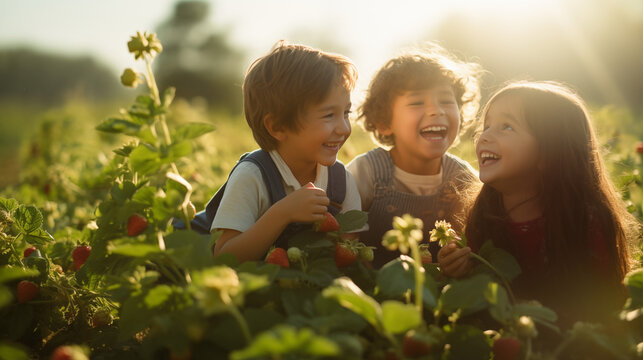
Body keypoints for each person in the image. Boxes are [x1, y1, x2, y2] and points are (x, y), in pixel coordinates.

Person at [437, 81, 640, 327]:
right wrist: (455, 270)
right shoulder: (482, 215)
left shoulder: (585, 221)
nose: (485, 136)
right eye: (486, 126)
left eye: (507, 126)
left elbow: (600, 306)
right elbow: (477, 296)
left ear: (549, 153)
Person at [211, 41, 363, 262]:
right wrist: (282, 213)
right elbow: (224, 257)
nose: (343, 128)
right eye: (328, 115)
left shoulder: (341, 182)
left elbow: (350, 254)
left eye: (346, 113)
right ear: (278, 127)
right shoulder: (253, 176)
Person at [347, 44, 482, 268]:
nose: (436, 110)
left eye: (447, 101)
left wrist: (460, 263)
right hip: (372, 287)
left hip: (436, 289)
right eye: (417, 102)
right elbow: (342, 238)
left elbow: (475, 238)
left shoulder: (462, 178)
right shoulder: (366, 173)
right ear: (385, 122)